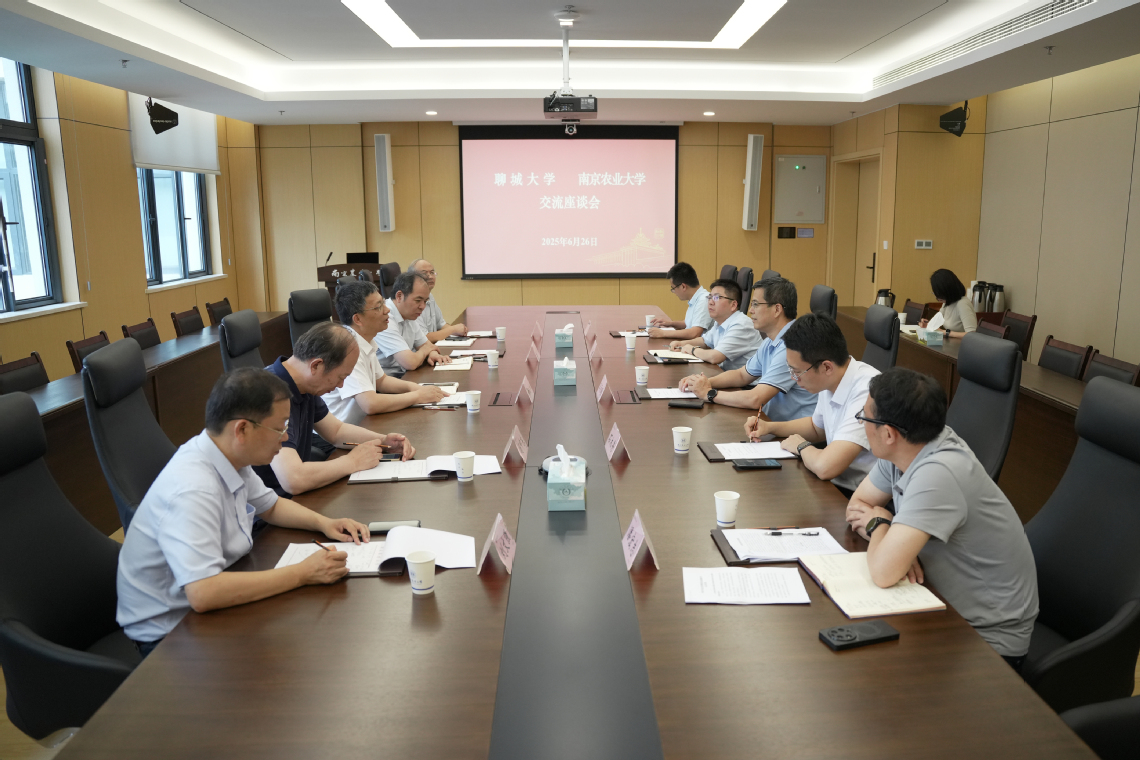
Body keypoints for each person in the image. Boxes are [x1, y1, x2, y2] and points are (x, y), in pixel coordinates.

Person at [117, 368, 373, 656]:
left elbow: (271, 506)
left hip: (213, 592)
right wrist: (303, 573)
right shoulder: (193, 488)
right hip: (170, 633)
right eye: (280, 428)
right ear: (242, 430)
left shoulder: (227, 454)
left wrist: (325, 523)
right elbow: (203, 593)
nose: (285, 437)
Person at [845, 368, 1038, 668]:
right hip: (937, 601)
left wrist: (881, 525)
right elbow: (858, 505)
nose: (861, 423)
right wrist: (891, 542)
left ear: (888, 433)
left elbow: (883, 572)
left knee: (867, 671)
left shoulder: (939, 472)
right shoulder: (905, 449)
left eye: (864, 418)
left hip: (987, 640)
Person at [255, 321, 415, 497]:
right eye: (341, 377)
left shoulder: (304, 385)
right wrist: (352, 462)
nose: (341, 385)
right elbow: (293, 479)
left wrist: (383, 441)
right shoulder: (270, 395)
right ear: (316, 365)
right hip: (270, 506)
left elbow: (336, 431)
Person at [745, 313, 879, 495]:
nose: (794, 378)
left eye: (797, 372)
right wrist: (770, 427)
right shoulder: (831, 379)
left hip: (861, 494)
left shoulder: (867, 392)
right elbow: (817, 428)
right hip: (836, 485)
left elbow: (825, 467)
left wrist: (801, 446)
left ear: (826, 367)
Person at [678, 276, 817, 421]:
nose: (750, 310)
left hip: (791, 430)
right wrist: (704, 382)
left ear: (777, 309)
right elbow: (741, 375)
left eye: (756, 304)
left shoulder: (791, 345)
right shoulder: (770, 341)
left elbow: (755, 398)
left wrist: (708, 393)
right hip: (769, 422)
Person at [323, 280, 449, 423]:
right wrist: (417, 396)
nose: (387, 310)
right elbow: (370, 404)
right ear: (357, 319)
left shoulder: (366, 340)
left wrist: (418, 389)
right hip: (343, 431)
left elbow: (382, 381)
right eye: (378, 307)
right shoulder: (346, 348)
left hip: (364, 423)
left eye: (383, 303)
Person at [667, 279, 761, 371]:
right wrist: (681, 344)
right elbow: (705, 341)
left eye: (716, 298)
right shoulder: (720, 321)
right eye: (709, 297)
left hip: (745, 381)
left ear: (733, 305)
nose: (711, 302)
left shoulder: (741, 325)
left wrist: (692, 350)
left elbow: (715, 357)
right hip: (725, 374)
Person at [375, 271, 452, 376]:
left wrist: (433, 354)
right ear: (399, 296)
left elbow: (427, 345)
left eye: (425, 301)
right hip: (386, 382)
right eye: (418, 300)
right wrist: (426, 350)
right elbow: (410, 363)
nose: (422, 306)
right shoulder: (385, 318)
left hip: (404, 376)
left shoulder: (409, 315)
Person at [648, 262, 715, 340]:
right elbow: (688, 323)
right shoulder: (696, 298)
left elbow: (695, 333)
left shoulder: (704, 300)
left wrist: (663, 333)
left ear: (683, 286)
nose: (674, 292)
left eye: (673, 288)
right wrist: (670, 323)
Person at [408, 258, 467, 343]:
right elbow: (423, 337)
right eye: (424, 273)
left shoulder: (430, 296)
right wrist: (453, 329)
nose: (430, 276)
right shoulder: (411, 301)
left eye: (432, 272)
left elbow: (441, 324)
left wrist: (459, 331)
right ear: (412, 277)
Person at [918, 268, 977, 338]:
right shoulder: (947, 302)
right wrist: (927, 324)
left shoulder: (962, 304)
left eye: (939, 293)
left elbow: (972, 335)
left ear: (947, 291)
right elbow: (936, 322)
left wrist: (946, 332)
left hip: (962, 344)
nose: (936, 297)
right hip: (951, 342)